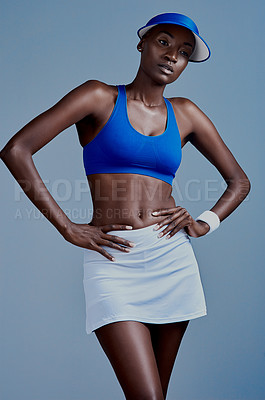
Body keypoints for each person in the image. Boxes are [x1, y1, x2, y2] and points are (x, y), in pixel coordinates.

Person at [0, 12, 251, 400]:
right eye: (164, 42)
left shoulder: (186, 114)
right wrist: (67, 227)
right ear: (143, 44)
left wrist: (204, 222)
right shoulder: (98, 97)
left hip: (172, 260)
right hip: (114, 263)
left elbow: (239, 181)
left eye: (183, 52)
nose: (172, 56)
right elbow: (16, 150)